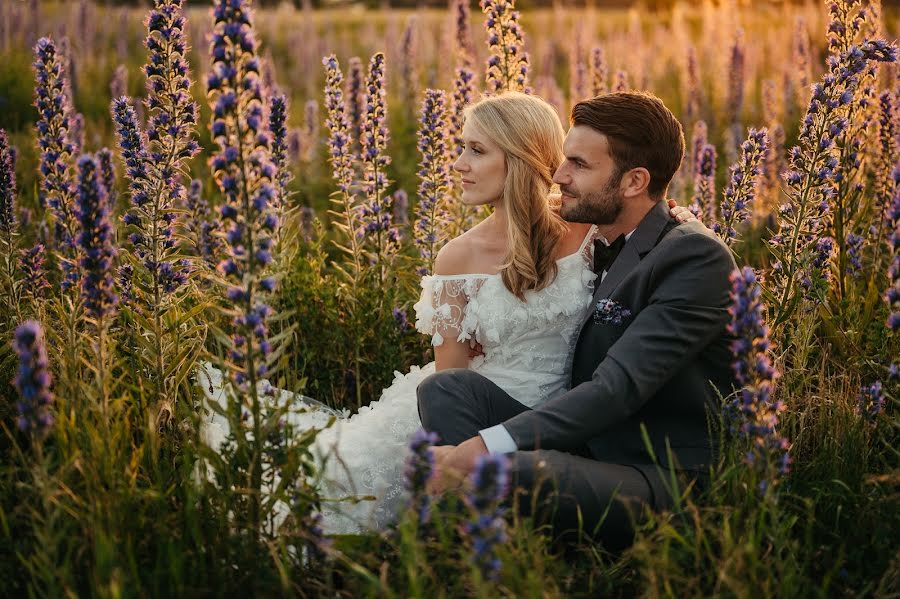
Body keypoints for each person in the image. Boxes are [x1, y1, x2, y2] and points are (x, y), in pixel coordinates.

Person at [199, 91, 698, 535]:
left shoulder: (587, 232)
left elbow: (639, 229)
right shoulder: (457, 258)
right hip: (477, 405)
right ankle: (480, 524)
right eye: (460, 146)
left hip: (569, 413)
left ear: (521, 158)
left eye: (476, 150)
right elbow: (452, 374)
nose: (456, 162)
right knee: (333, 490)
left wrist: (678, 214)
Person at [418, 91, 737, 550]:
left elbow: (616, 389)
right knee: (444, 388)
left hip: (660, 473)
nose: (559, 175)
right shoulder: (603, 237)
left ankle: (483, 542)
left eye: (579, 166)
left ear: (633, 182)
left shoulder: (693, 257)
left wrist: (481, 446)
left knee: (508, 469)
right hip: (591, 446)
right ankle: (479, 533)